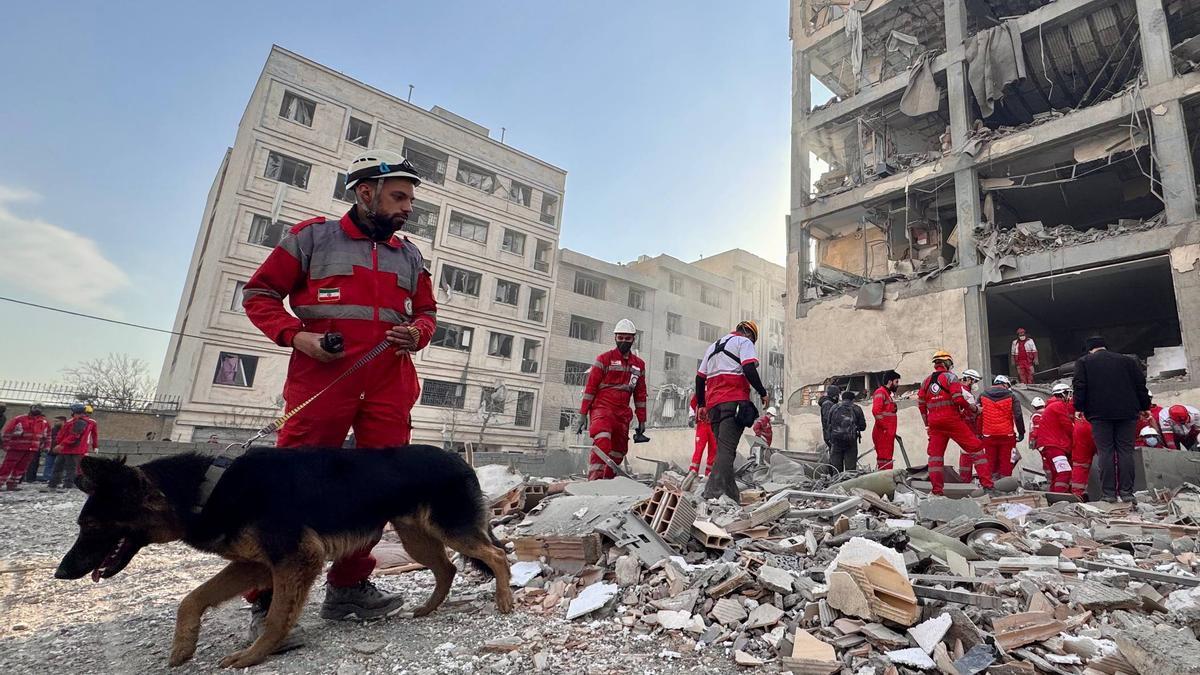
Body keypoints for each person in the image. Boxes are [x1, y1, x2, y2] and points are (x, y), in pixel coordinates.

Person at [242, 149, 435, 629]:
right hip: (322, 381)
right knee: (295, 485)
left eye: (410, 199)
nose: (408, 207)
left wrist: (417, 333)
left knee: (378, 488)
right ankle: (269, 598)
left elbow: (426, 312)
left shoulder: (409, 254)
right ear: (366, 193)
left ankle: (349, 586)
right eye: (399, 197)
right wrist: (297, 336)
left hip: (389, 384)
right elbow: (259, 294)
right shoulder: (312, 238)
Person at [695, 320, 769, 501]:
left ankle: (732, 496)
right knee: (726, 451)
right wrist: (762, 392)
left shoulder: (712, 347)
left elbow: (700, 378)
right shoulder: (744, 342)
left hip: (713, 406)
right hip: (733, 402)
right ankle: (712, 494)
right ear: (750, 334)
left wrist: (701, 404)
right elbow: (749, 368)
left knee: (724, 450)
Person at [1072, 335, 1151, 501]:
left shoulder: (1084, 362)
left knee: (1105, 452)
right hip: (1127, 412)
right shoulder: (1127, 361)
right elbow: (1140, 385)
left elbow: (1080, 386)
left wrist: (1079, 407)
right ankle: (1127, 493)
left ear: (1089, 349)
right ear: (1105, 346)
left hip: (1099, 414)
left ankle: (1108, 494)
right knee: (1125, 451)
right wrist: (1145, 406)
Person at [578, 319, 648, 480]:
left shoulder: (639, 365)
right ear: (615, 337)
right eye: (620, 338)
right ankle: (594, 482)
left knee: (619, 451)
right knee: (602, 442)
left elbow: (640, 395)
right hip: (602, 410)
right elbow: (590, 389)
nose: (623, 341)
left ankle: (608, 482)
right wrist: (582, 414)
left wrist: (642, 420)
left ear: (633, 339)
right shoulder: (604, 359)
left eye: (627, 338)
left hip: (622, 414)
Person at [917, 351, 990, 495]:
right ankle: (988, 485)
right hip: (952, 421)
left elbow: (921, 405)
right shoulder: (951, 377)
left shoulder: (925, 382)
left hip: (935, 424)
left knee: (935, 457)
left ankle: (937, 491)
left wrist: (927, 424)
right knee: (976, 448)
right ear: (947, 363)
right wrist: (974, 409)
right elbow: (958, 399)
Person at [979, 375, 1025, 479]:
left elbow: (978, 415)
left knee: (990, 461)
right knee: (1006, 461)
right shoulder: (1012, 396)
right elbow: (1018, 415)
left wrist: (979, 433)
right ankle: (1005, 484)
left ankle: (991, 483)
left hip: (988, 434)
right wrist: (1021, 432)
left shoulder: (982, 395)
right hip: (1007, 435)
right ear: (1005, 384)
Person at [1, 404, 51, 491]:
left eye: (40, 408)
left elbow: (48, 436)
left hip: (32, 449)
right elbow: (8, 431)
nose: (37, 410)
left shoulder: (44, 422)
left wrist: (47, 446)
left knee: (21, 467)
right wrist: (5, 444)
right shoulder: (19, 419)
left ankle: (13, 484)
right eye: (35, 407)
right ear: (30, 408)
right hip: (16, 447)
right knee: (7, 466)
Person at [1038, 383, 1075, 494]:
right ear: (1063, 394)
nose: (1069, 396)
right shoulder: (1058, 406)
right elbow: (1067, 426)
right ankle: (1060, 496)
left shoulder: (1051, 406)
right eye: (1068, 393)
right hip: (1054, 446)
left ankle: (1054, 496)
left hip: (1050, 446)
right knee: (1064, 472)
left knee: (1056, 474)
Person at [45, 404, 91, 491]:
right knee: (58, 466)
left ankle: (68, 486)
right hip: (65, 449)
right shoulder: (73, 421)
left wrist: (61, 444)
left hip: (73, 449)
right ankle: (53, 484)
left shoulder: (81, 422)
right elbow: (63, 433)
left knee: (70, 468)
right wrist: (59, 443)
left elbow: (74, 436)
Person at [827, 390, 866, 472]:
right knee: (850, 470)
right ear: (852, 399)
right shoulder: (856, 408)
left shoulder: (834, 407)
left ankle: (837, 480)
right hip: (850, 442)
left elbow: (829, 424)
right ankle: (849, 480)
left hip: (836, 442)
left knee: (836, 470)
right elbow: (863, 427)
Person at [956, 369, 984, 482]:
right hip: (968, 427)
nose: (975, 384)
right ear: (968, 379)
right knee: (976, 453)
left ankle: (965, 480)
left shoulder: (959, 389)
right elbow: (970, 413)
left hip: (963, 427)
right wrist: (979, 410)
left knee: (965, 453)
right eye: (975, 381)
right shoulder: (966, 394)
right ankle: (982, 479)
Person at [870, 371, 901, 470]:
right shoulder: (881, 392)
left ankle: (885, 476)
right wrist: (885, 428)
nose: (897, 384)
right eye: (896, 382)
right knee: (885, 459)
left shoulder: (887, 394)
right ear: (890, 382)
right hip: (883, 433)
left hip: (887, 433)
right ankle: (886, 477)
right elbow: (876, 411)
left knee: (886, 459)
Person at [688, 393, 717, 476]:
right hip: (702, 424)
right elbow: (693, 404)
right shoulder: (701, 391)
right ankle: (692, 472)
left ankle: (709, 474)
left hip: (714, 424)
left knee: (713, 449)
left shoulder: (716, 390)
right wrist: (691, 416)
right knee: (699, 449)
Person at [1069, 417, 1097, 499]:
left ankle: (1077, 494)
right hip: (1101, 424)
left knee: (1080, 464)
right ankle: (1113, 493)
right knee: (1109, 458)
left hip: (1082, 424)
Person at [818, 384, 841, 449]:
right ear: (834, 395)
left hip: (831, 435)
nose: (839, 397)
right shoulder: (828, 404)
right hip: (831, 436)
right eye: (838, 394)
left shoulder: (830, 403)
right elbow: (829, 420)